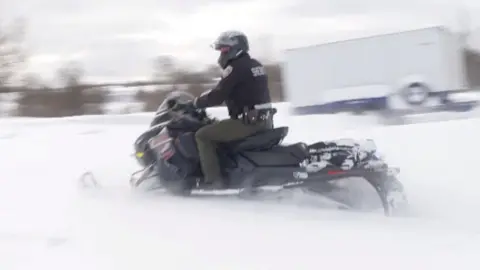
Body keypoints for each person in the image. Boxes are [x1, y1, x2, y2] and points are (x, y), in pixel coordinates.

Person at [187, 30, 274, 188]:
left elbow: (218, 95)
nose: (221, 54)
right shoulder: (256, 65)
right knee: (219, 128)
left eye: (224, 49)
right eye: (220, 50)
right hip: (264, 119)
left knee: (202, 135)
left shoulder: (236, 67)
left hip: (247, 123)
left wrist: (195, 103)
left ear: (237, 48)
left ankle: (213, 181)